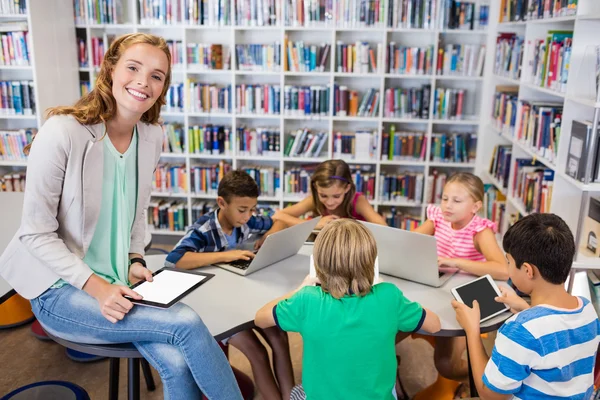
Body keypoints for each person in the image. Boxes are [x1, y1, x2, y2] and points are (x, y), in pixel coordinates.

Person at [0, 33, 242, 399]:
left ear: (163, 88)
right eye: (133, 67)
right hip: (59, 289)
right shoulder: (64, 132)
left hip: (118, 280)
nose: (144, 81)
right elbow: (35, 234)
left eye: (157, 76)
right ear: (110, 69)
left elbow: (136, 210)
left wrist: (134, 259)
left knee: (178, 363)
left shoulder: (152, 136)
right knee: (187, 323)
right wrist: (97, 287)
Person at [255, 219, 442, 400]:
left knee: (297, 391)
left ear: (319, 264)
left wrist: (298, 290)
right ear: (371, 262)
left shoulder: (306, 299)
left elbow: (260, 318)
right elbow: (434, 325)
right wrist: (386, 293)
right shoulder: (389, 296)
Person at [165, 170, 294, 400]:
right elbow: (176, 260)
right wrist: (226, 255)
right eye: (242, 210)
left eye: (252, 210)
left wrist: (268, 237)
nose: (248, 216)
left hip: (241, 297)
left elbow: (280, 221)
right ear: (222, 203)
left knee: (279, 338)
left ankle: (290, 397)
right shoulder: (204, 230)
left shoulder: (245, 220)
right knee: (258, 353)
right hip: (215, 308)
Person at [453, 213, 600, 399]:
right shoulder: (587, 309)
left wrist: (472, 330)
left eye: (509, 262)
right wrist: (526, 308)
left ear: (528, 270)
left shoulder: (519, 329)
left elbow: (490, 394)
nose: (507, 268)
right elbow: (554, 337)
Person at [411, 172, 508, 399]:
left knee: (446, 365)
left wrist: (456, 262)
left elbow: (503, 269)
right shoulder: (437, 218)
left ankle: (489, 381)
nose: (447, 205)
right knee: (394, 329)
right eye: (445, 198)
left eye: (456, 201)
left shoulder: (480, 230)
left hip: (462, 299)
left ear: (475, 206)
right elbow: (412, 242)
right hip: (435, 289)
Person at [273, 159, 386, 230]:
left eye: (336, 196)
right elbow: (277, 215)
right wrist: (313, 224)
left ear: (347, 188)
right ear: (316, 187)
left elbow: (383, 228)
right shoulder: (314, 200)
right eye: (323, 196)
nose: (330, 202)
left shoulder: (358, 201)